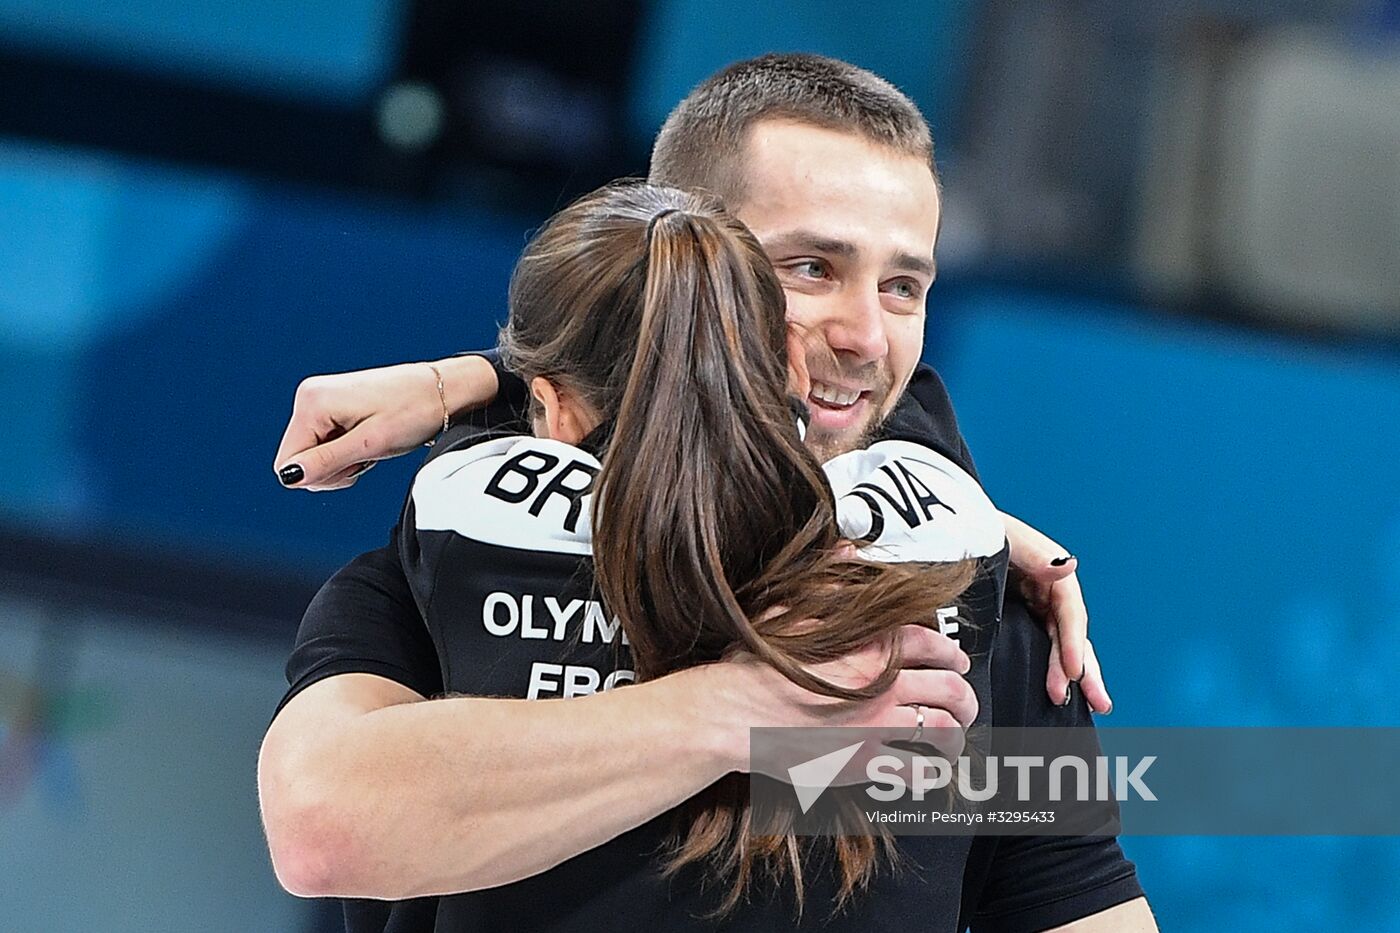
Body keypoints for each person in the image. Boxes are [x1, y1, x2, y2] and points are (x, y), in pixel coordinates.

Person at [263, 55, 1153, 930]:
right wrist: (748, 706)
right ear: (681, 263)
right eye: (810, 268)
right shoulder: (447, 572)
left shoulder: (973, 610)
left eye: (903, 286)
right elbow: (323, 827)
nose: (866, 336)